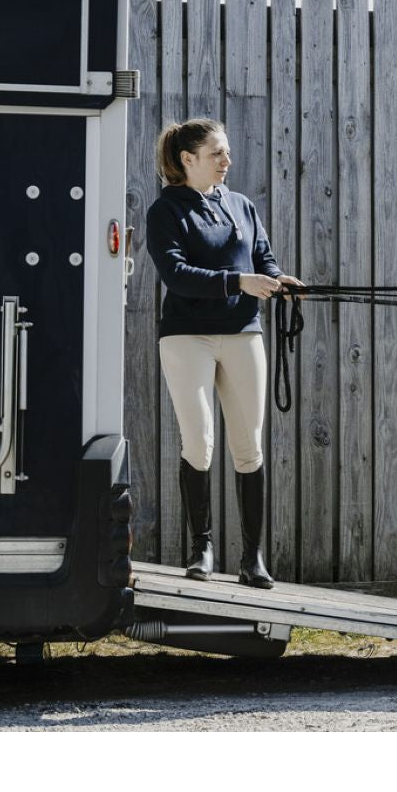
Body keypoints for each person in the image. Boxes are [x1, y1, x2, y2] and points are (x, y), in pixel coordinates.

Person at [146, 118, 303, 589]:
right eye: (217, 153)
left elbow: (263, 258)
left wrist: (279, 279)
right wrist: (239, 282)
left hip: (242, 334)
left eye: (226, 152)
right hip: (187, 337)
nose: (227, 161)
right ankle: (203, 549)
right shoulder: (165, 211)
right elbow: (176, 275)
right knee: (198, 442)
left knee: (248, 447)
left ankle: (252, 559)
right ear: (187, 159)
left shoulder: (240, 205)